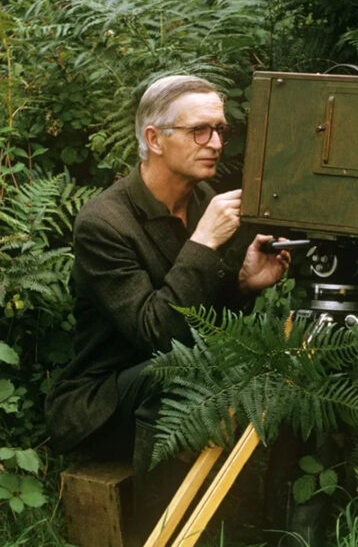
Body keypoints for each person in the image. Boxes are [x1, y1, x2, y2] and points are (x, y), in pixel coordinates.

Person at [44, 75, 291, 527]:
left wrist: (244, 285)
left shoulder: (202, 201)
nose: (215, 142)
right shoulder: (104, 222)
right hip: (105, 400)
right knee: (178, 371)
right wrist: (202, 244)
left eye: (220, 130)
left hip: (175, 381)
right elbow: (155, 333)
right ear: (155, 139)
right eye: (200, 130)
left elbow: (202, 322)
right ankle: (164, 534)